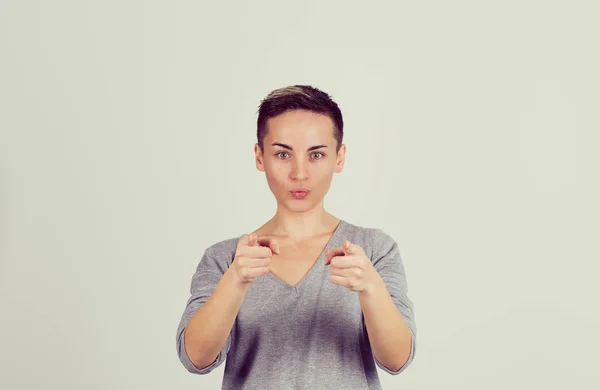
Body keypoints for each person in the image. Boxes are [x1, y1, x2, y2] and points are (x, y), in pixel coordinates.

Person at [176, 85, 416, 389]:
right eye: (282, 154)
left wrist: (370, 286)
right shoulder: (226, 258)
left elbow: (397, 360)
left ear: (339, 157)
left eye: (316, 154)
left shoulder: (374, 249)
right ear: (259, 156)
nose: (299, 173)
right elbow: (195, 358)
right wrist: (235, 279)